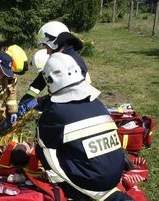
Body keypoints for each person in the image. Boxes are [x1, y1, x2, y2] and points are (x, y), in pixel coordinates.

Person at [36, 52, 132, 201]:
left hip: (92, 184)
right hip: (116, 174)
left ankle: (65, 187)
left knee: (42, 148)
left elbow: (46, 145)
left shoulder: (54, 113)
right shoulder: (96, 102)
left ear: (50, 79)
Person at [18, 21, 91, 116]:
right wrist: (27, 98)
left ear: (55, 43)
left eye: (46, 46)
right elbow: (42, 79)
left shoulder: (72, 62)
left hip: (77, 108)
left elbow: (65, 95)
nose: (47, 52)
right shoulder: (61, 58)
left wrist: (38, 102)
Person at [0, 44, 29, 130]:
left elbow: (12, 97)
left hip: (0, 112)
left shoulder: (12, 78)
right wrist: (1, 122)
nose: (12, 76)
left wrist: (13, 112)